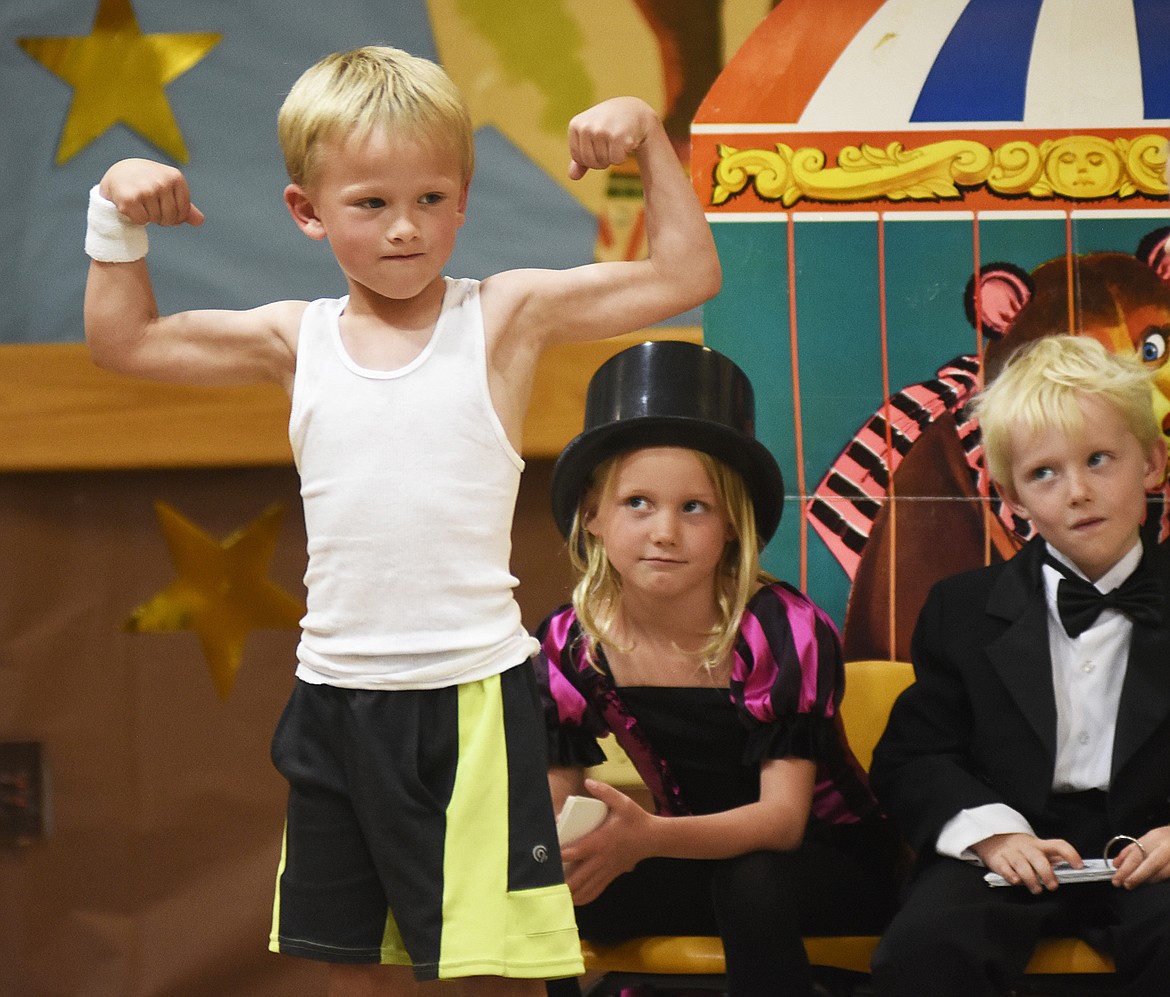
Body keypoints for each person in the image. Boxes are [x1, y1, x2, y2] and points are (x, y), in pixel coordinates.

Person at [83, 45, 721, 997]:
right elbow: (125, 341)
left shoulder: (504, 316)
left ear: (463, 200)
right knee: (355, 965)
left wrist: (648, 139)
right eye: (370, 204)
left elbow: (685, 272)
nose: (404, 230)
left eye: (430, 200)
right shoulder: (294, 339)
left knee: (485, 969)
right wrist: (114, 212)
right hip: (337, 695)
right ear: (307, 211)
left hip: (470, 697)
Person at [533, 340, 902, 997]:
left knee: (751, 880)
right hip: (683, 853)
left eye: (693, 507)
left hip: (829, 863)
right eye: (637, 503)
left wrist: (644, 838)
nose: (664, 531)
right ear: (592, 515)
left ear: (733, 523)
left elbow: (783, 821)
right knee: (545, 889)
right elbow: (555, 802)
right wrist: (557, 860)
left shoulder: (780, 628)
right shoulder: (571, 640)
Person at [869, 335, 1170, 997]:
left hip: (1159, 851)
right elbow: (914, 755)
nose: (1078, 491)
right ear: (1009, 495)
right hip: (1014, 844)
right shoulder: (961, 608)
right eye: (1045, 473)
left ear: (1151, 462)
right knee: (923, 950)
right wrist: (994, 833)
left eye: (1099, 459)